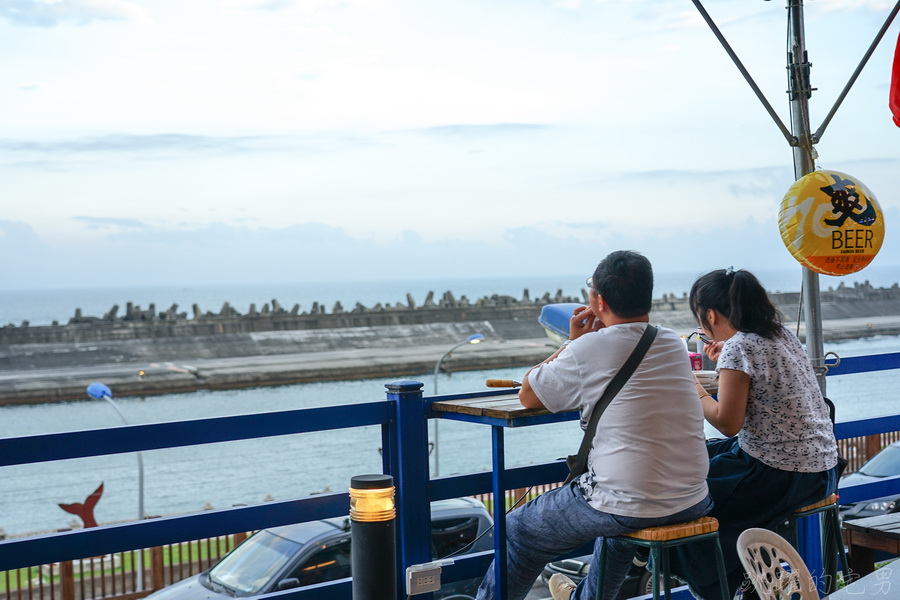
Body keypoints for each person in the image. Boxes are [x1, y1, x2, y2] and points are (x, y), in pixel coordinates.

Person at [475, 250, 711, 600]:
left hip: (630, 501)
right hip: (693, 497)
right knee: (615, 519)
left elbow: (528, 395)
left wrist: (575, 342)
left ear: (598, 299)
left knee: (516, 530)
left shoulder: (588, 348)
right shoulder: (671, 341)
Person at [668, 268, 839, 599]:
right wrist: (728, 361)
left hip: (780, 474)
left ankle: (727, 583)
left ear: (711, 315)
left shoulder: (740, 347)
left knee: (684, 492)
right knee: (705, 456)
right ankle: (752, 576)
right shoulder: (779, 333)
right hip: (822, 469)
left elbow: (727, 422)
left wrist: (691, 384)